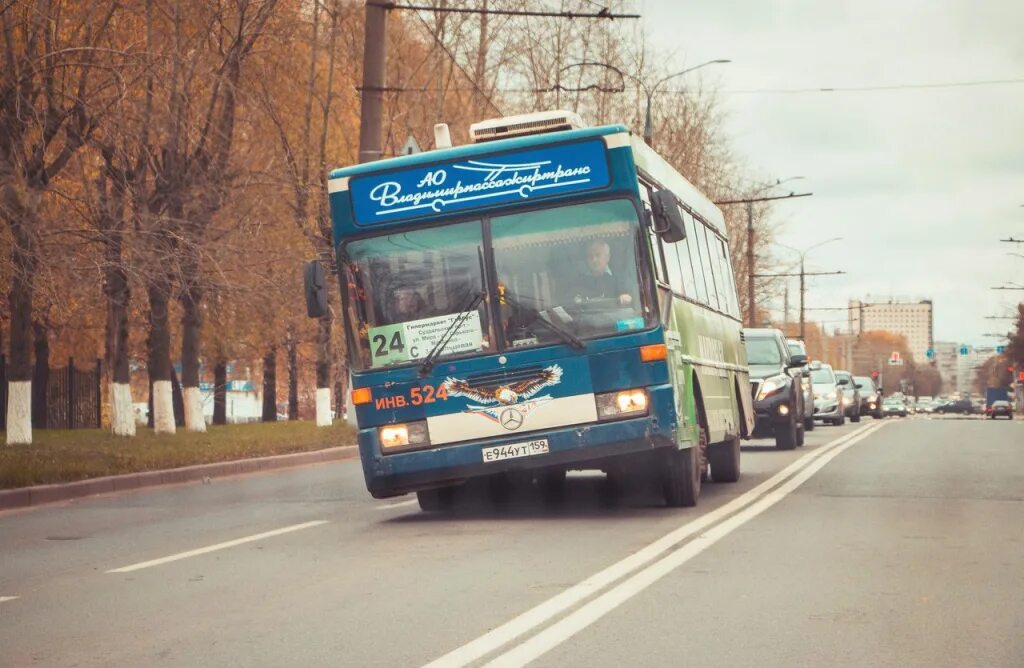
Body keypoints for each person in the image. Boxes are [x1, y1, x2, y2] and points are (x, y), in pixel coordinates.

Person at [568, 239, 633, 306]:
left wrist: (625, 297)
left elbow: (628, 297)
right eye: (591, 256)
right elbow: (572, 302)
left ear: (607, 257)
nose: (594, 259)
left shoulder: (619, 278)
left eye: (598, 255)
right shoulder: (579, 281)